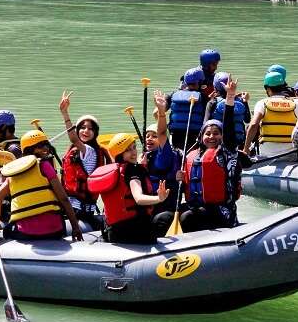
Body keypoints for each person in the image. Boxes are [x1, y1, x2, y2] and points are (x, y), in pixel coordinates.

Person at [181, 75, 253, 231]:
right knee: (170, 215)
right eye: (207, 133)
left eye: (216, 133)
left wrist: (230, 97)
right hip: (198, 208)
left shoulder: (226, 152)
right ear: (201, 137)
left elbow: (228, 127)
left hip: (222, 211)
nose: (211, 137)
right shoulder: (191, 156)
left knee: (188, 217)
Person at [0, 130, 83, 242]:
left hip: (25, 233)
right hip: (55, 231)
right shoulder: (45, 165)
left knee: (6, 230)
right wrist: (75, 227)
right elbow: (63, 199)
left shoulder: (13, 172)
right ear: (30, 149)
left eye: (46, 145)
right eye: (40, 146)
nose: (46, 149)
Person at [87, 133, 169, 244]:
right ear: (120, 153)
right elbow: (138, 198)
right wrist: (159, 198)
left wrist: (141, 166)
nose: (134, 152)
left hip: (113, 231)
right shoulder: (133, 170)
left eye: (134, 147)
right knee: (164, 218)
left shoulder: (113, 171)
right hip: (134, 231)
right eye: (128, 150)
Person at [58, 90, 110, 228]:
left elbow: (73, 138)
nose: (86, 131)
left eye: (90, 129)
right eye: (82, 128)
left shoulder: (90, 151)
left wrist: (65, 114)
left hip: (79, 209)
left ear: (95, 133)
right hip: (71, 206)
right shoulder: (77, 151)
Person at [141, 90, 184, 236]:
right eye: (147, 136)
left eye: (153, 136)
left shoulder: (164, 155)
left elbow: (161, 133)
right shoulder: (144, 158)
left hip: (163, 207)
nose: (149, 139)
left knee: (158, 220)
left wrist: (161, 112)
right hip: (148, 204)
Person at [243, 71, 298, 157]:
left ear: (268, 89)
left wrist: (246, 148)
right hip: (291, 152)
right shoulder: (297, 103)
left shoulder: (262, 103)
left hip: (267, 153)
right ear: (283, 87)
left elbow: (253, 125)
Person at [203, 72, 251, 149]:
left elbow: (206, 124)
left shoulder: (213, 102)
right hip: (239, 143)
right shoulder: (241, 101)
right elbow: (247, 120)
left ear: (215, 88)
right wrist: (245, 102)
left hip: (219, 143)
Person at [166, 67, 207, 149]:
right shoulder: (203, 97)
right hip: (195, 136)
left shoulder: (174, 94)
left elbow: (159, 111)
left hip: (174, 136)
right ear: (200, 82)